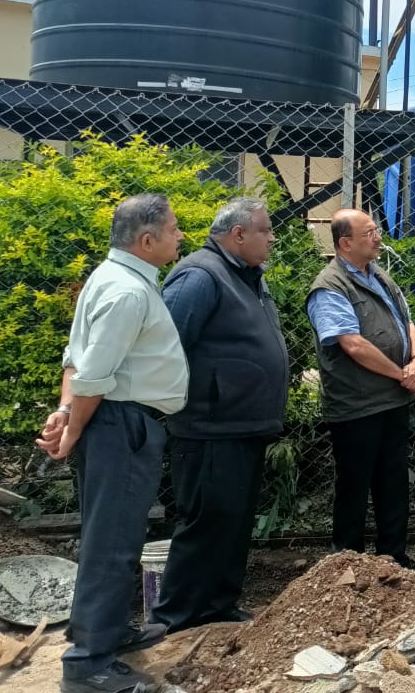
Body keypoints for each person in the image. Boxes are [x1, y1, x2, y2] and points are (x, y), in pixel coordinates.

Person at [36, 195, 188, 693]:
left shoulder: (111, 278)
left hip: (114, 421)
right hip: (120, 425)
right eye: (174, 228)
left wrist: (65, 412)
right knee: (113, 543)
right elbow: (93, 374)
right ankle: (88, 665)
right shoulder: (127, 291)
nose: (180, 235)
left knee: (112, 535)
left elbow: (74, 358)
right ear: (146, 240)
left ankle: (106, 632)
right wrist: (73, 426)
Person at [151, 197, 290, 633]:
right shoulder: (200, 275)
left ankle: (218, 606)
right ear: (238, 234)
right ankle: (177, 617)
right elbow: (165, 345)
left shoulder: (246, 276)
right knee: (206, 522)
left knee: (233, 521)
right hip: (210, 426)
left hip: (242, 424)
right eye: (265, 230)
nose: (272, 238)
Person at [306, 209, 415, 567]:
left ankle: (394, 559)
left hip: (393, 399)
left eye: (376, 230)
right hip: (357, 405)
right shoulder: (330, 286)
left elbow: (407, 321)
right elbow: (353, 345)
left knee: (394, 483)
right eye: (369, 233)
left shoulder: (379, 276)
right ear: (345, 243)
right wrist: (400, 374)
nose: (378, 237)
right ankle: (347, 564)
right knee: (354, 486)